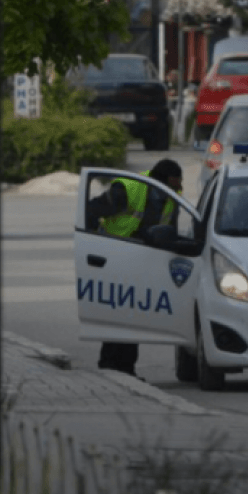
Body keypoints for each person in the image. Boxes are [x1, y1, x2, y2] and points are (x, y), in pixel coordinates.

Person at [87, 159, 184, 375]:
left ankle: (124, 368)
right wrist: (99, 244)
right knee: (119, 317)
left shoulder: (171, 198)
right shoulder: (128, 189)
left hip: (143, 264)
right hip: (117, 259)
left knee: (134, 318)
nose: (178, 190)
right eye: (174, 185)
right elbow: (91, 211)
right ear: (161, 182)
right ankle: (112, 366)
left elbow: (171, 233)